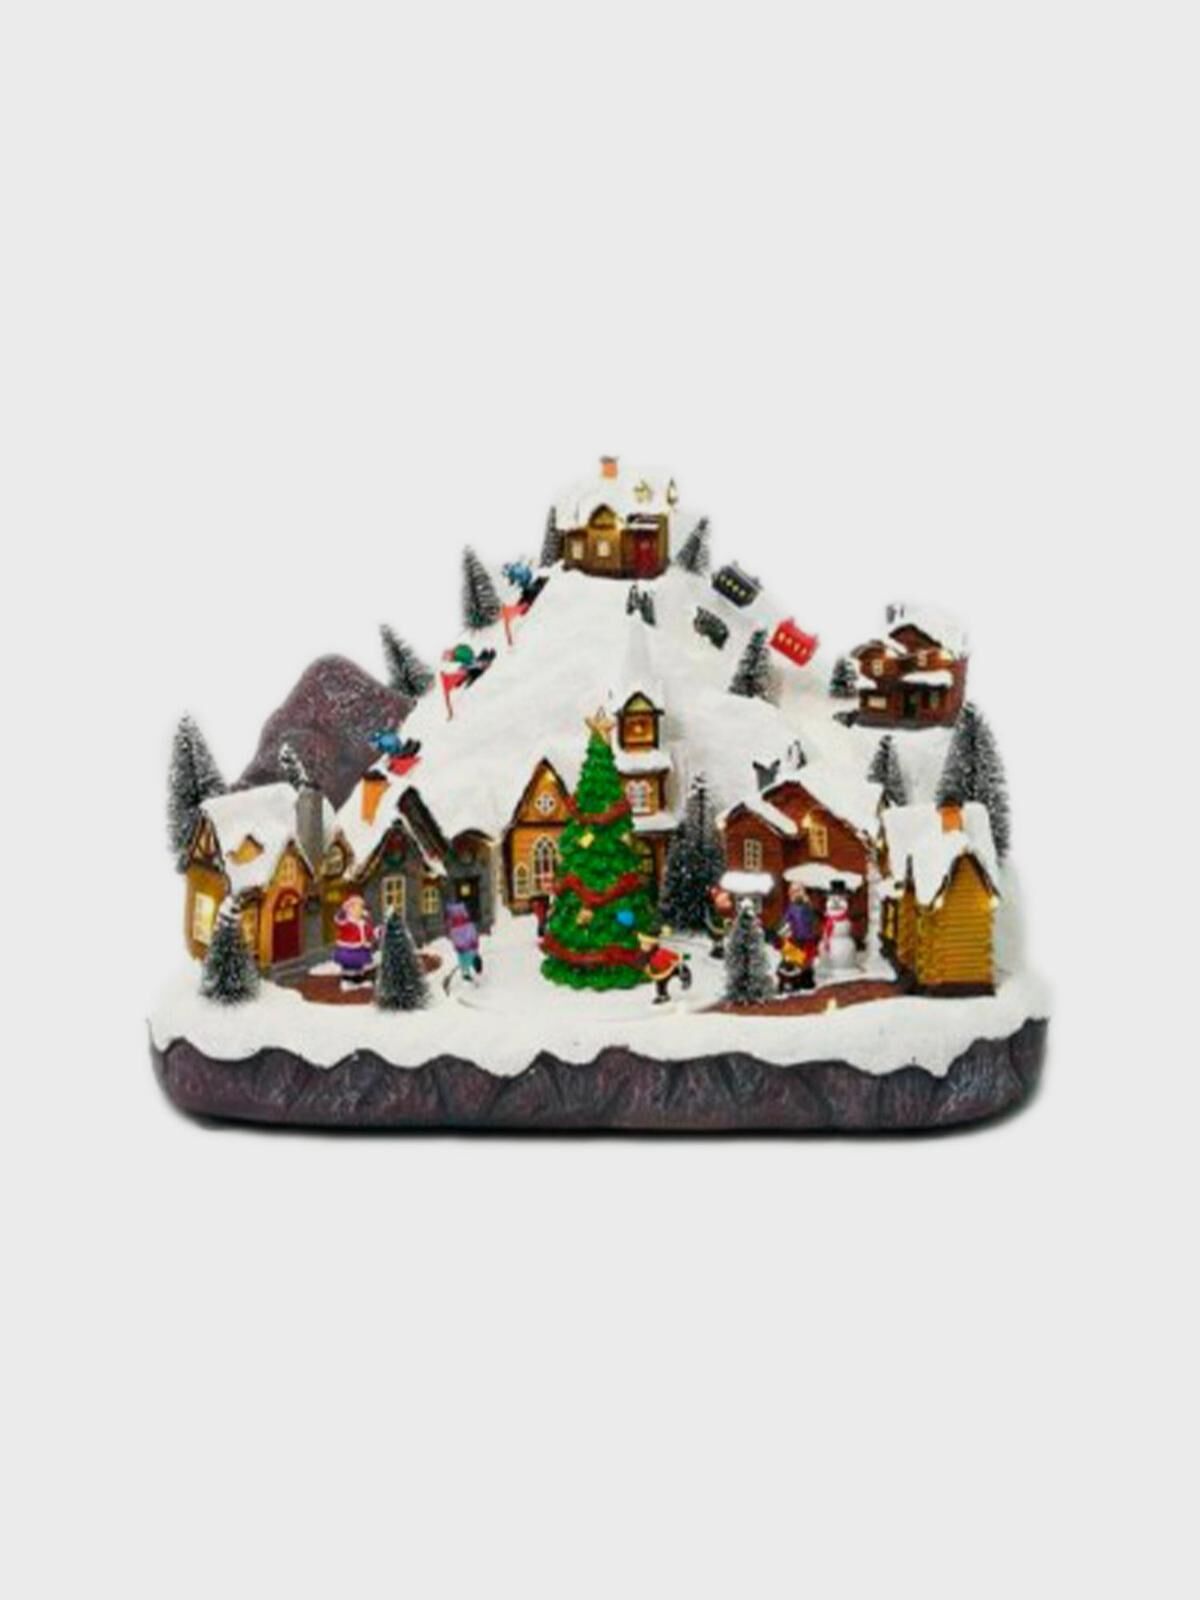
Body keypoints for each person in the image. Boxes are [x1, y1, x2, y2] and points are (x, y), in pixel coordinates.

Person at [636, 929, 693, 1005]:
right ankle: (663, 996)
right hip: (659, 972)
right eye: (643, 944)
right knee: (660, 983)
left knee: (681, 969)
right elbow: (640, 962)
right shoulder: (643, 954)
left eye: (647, 944)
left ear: (653, 945)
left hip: (669, 968)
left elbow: (675, 956)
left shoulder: (661, 952)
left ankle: (685, 978)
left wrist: (684, 956)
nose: (644, 946)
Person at [333, 893, 378, 985]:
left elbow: (370, 932)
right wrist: (343, 910)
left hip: (362, 948)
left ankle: (358, 979)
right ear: (350, 909)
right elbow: (339, 918)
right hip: (349, 949)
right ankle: (348, 980)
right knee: (349, 966)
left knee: (360, 966)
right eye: (356, 908)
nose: (358, 910)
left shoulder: (364, 923)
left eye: (360, 908)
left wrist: (377, 933)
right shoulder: (346, 922)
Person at [445, 900, 483, 982]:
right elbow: (471, 931)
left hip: (464, 946)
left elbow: (454, 936)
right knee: (468, 957)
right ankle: (469, 972)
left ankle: (467, 972)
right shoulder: (461, 922)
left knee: (465, 958)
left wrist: (457, 946)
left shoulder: (455, 924)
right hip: (466, 945)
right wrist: (474, 942)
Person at [705, 886, 735, 958]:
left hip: (720, 913)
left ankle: (718, 947)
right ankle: (718, 947)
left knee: (718, 930)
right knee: (717, 930)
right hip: (718, 913)